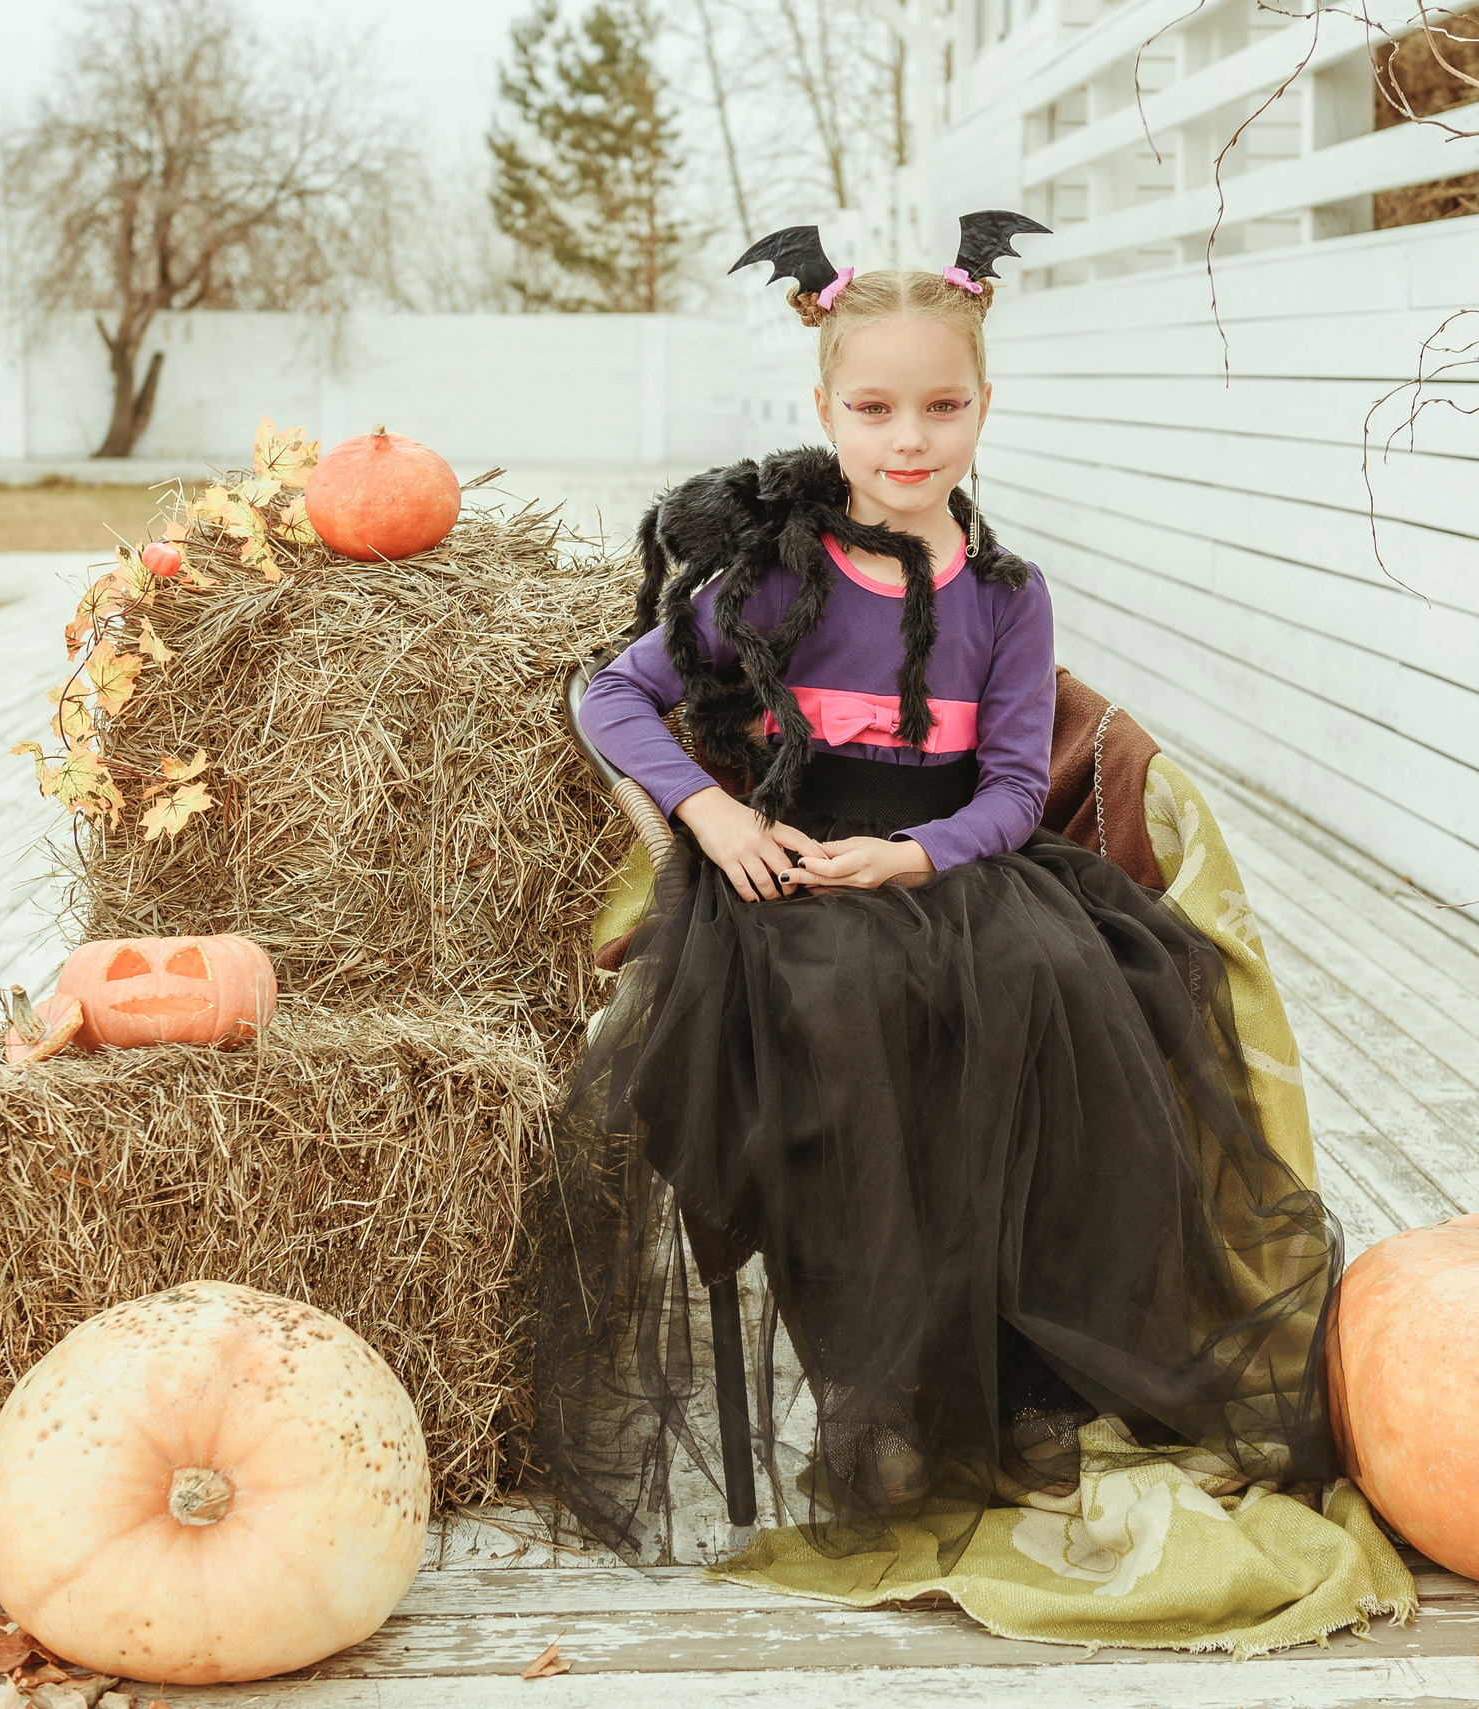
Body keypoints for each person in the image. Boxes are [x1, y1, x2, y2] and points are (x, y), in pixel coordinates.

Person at [532, 214, 1344, 1578]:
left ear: (983, 405)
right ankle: (888, 1386)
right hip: (791, 867)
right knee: (842, 1007)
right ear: (825, 410)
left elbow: (1018, 790)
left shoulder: (1008, 599)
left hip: (953, 865)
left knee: (1058, 989)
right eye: (876, 407)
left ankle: (1026, 1379)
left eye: (942, 405)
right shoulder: (776, 578)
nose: (909, 438)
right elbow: (611, 693)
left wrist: (914, 857)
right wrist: (716, 810)